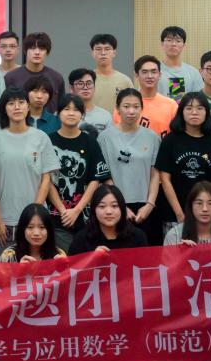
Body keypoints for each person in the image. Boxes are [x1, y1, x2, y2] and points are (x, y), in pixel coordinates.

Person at [0, 87, 59, 259]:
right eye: (11, 103)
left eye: (21, 102)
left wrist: (35, 213)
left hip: (36, 225)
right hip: (4, 223)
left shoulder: (41, 137)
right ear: (4, 109)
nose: (17, 107)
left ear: (28, 106)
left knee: (37, 271)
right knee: (4, 272)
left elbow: (46, 179)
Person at [156, 91, 211, 242]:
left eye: (200, 108)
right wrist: (179, 213)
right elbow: (165, 179)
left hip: (206, 214)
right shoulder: (170, 140)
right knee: (177, 253)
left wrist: (209, 206)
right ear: (181, 112)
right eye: (189, 108)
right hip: (174, 214)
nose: (194, 112)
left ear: (207, 112)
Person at [47, 94, 111, 251]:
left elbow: (95, 179)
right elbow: (46, 180)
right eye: (66, 109)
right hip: (56, 216)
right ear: (58, 113)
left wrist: (77, 210)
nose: (71, 113)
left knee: (85, 257)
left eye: (76, 110)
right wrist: (63, 211)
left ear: (82, 114)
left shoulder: (90, 142)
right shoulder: (48, 141)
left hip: (85, 215)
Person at [98, 89, 162, 244]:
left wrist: (149, 205)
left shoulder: (152, 137)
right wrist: (119, 206)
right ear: (117, 108)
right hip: (114, 205)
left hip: (145, 206)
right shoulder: (105, 137)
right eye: (126, 106)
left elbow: (155, 174)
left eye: (136, 106)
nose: (131, 111)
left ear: (142, 108)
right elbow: (105, 175)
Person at [68, 184, 148, 254]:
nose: (109, 212)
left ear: (122, 209)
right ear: (94, 209)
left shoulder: (137, 237)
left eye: (114, 206)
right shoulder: (81, 239)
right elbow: (72, 266)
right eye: (102, 206)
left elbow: (146, 265)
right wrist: (91, 258)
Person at [112, 55, 177, 137]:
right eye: (144, 72)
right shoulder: (124, 105)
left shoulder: (171, 105)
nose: (149, 76)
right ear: (136, 75)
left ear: (160, 75)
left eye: (154, 72)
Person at [5, 32, 64, 112]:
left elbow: (61, 108)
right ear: (25, 51)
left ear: (47, 52)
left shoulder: (56, 78)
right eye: (33, 48)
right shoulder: (11, 77)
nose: (37, 52)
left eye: (41, 49)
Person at [0, 203, 66, 262]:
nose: (36, 233)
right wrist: (19, 269)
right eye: (30, 227)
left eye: (42, 227)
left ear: (49, 230)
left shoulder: (59, 254)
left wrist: (63, 267)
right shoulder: (8, 256)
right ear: (22, 229)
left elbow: (67, 272)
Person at [158, 26, 203, 101]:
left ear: (183, 45)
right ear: (162, 44)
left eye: (178, 41)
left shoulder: (193, 73)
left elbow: (199, 101)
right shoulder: (153, 70)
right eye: (169, 40)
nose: (173, 44)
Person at [89, 34, 133, 111]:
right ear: (92, 53)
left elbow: (132, 106)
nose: (103, 53)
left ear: (114, 53)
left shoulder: (125, 80)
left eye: (107, 49)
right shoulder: (87, 80)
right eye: (98, 49)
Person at [68, 68, 113, 136]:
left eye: (89, 83)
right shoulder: (63, 115)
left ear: (94, 87)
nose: (85, 88)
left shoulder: (105, 116)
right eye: (80, 84)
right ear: (71, 88)